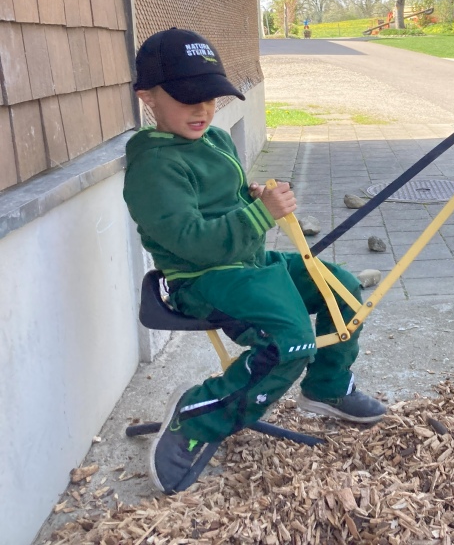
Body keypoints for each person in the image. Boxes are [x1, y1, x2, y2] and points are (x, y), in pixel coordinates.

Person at [124, 27, 385, 495]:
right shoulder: (154, 166)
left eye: (210, 97)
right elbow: (192, 242)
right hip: (203, 278)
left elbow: (226, 199)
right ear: (148, 97)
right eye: (187, 98)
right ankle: (194, 420)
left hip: (248, 262)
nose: (202, 109)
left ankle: (327, 387)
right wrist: (260, 213)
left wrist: (252, 196)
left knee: (343, 289)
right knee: (290, 341)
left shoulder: (214, 140)